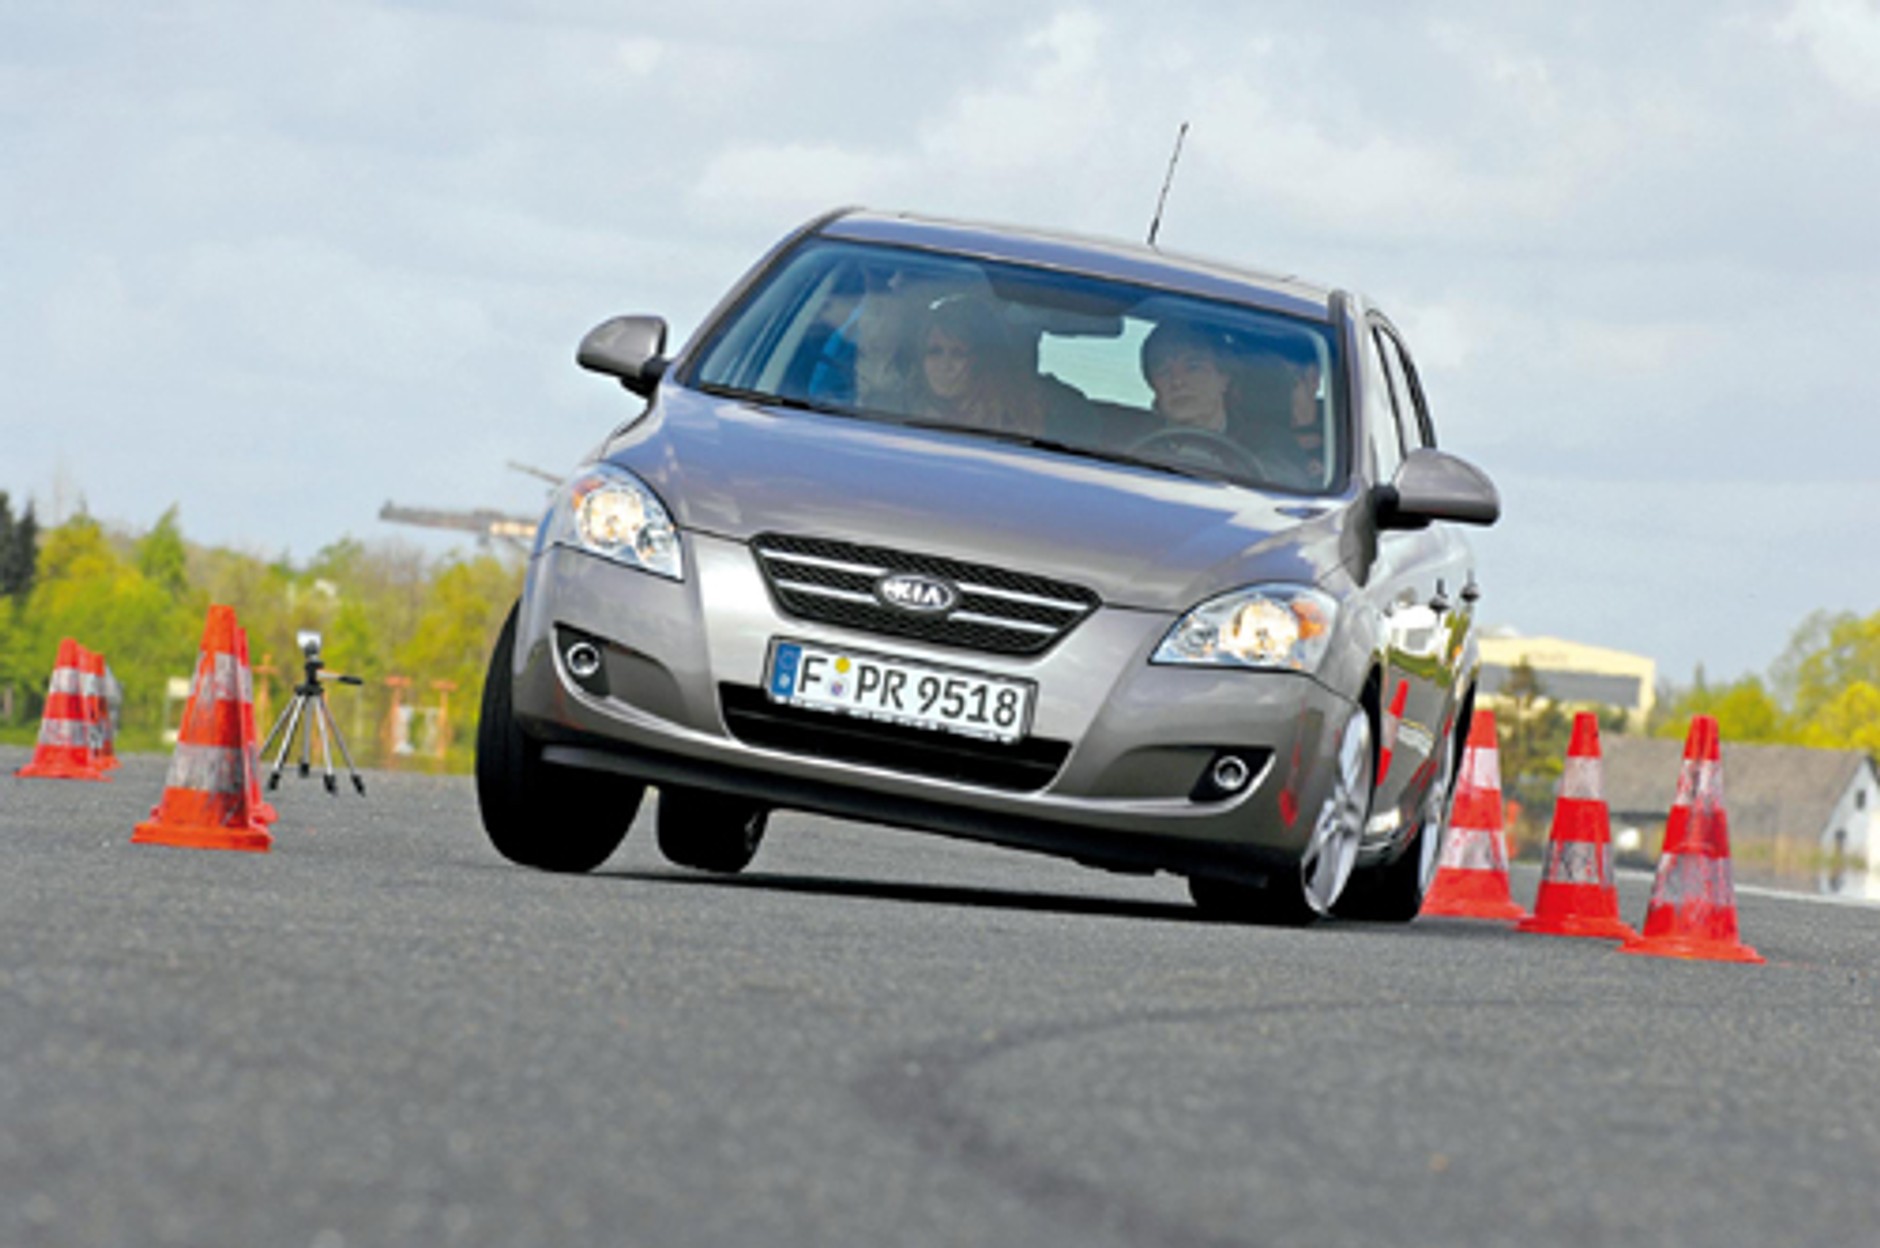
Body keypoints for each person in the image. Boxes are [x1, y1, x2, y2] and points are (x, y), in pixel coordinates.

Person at [907, 296, 1045, 436]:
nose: (944, 365)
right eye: (935, 351)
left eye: (958, 354)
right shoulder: (897, 411)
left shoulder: (1013, 421)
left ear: (981, 362)